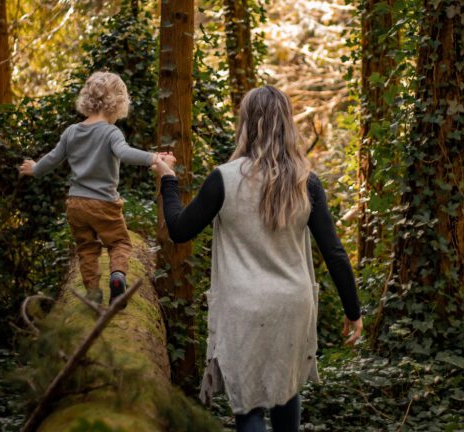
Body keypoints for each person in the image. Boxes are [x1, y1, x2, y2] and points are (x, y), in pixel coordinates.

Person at [151, 85, 363, 432]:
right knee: (286, 392)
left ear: (246, 124)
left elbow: (178, 230)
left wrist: (168, 180)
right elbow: (334, 253)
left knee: (248, 405)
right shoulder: (305, 181)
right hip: (293, 306)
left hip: (244, 306)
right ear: (287, 124)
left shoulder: (226, 178)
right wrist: (353, 311)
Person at [19, 71, 159, 306]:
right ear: (117, 105)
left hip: (75, 204)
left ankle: (93, 293)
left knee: (86, 249)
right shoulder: (111, 132)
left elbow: (51, 160)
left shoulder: (71, 132)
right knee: (120, 243)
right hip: (104, 204)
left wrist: (34, 169)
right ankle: (117, 278)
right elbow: (124, 154)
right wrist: (153, 157)